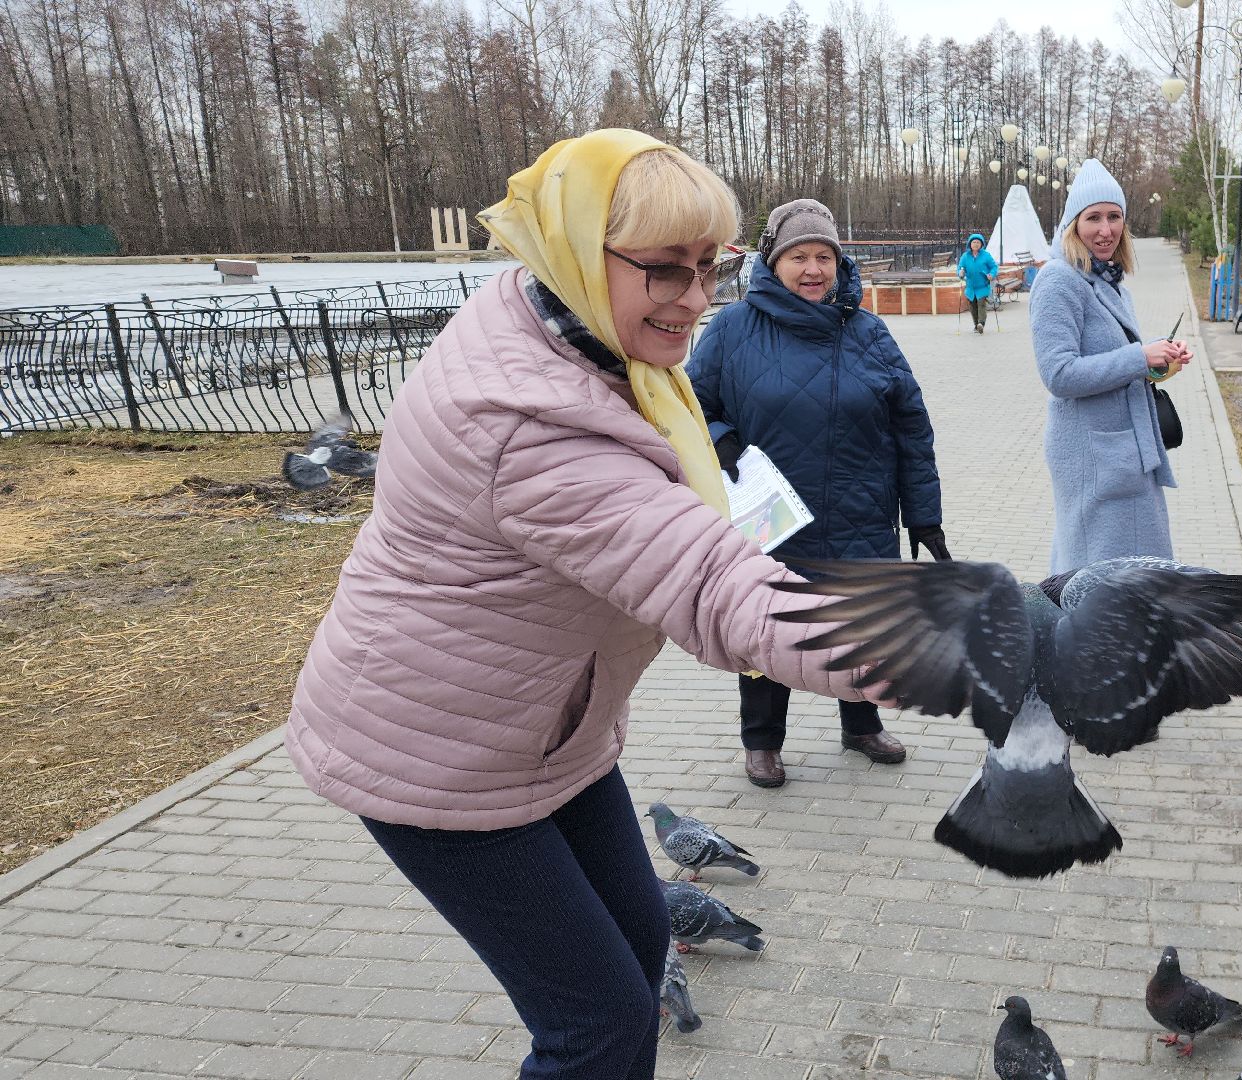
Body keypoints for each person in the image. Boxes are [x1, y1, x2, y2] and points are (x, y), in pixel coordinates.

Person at [282, 130, 885, 1080]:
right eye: (664, 271)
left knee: (642, 952)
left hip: (541, 728)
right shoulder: (526, 426)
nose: (696, 301)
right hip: (443, 756)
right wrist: (956, 642)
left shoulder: (556, 319)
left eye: (710, 267)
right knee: (598, 1026)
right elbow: (714, 587)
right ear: (574, 250)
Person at [688, 198, 946, 788]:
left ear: (839, 262)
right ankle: (762, 741)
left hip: (862, 514)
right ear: (773, 263)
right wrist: (721, 437)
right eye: (799, 256)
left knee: (860, 625)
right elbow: (689, 403)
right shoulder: (731, 328)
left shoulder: (868, 331)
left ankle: (860, 724)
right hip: (770, 519)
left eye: (824, 256)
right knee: (763, 626)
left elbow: (912, 427)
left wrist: (924, 517)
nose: (813, 269)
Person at [1030, 159, 1191, 575]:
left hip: (1123, 454)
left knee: (1122, 577)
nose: (1106, 229)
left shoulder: (1108, 280)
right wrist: (1141, 356)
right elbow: (1059, 374)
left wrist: (1161, 362)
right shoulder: (1059, 282)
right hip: (1093, 457)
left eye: (1114, 216)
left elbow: (1116, 362)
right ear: (1073, 224)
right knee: (1101, 581)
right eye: (1093, 218)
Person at [957, 231, 998, 333]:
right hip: (970, 287)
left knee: (981, 304)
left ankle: (981, 323)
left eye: (978, 242)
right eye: (974, 242)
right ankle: (976, 325)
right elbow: (960, 268)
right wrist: (960, 273)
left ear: (981, 244)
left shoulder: (986, 255)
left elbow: (994, 267)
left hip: (982, 285)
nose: (975, 244)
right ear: (970, 244)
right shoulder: (965, 256)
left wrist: (991, 275)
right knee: (972, 306)